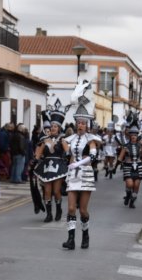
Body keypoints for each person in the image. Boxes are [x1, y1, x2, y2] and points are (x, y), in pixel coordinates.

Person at [61, 79, 102, 250]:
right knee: (71, 208)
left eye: (83, 123)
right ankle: (71, 240)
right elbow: (65, 148)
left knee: (83, 210)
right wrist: (67, 156)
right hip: (73, 176)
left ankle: (85, 234)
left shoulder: (91, 139)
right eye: (78, 122)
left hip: (85, 174)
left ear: (87, 124)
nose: (80, 125)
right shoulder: (69, 139)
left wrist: (77, 163)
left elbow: (92, 157)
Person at [33, 98, 68, 222]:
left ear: (59, 128)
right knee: (47, 191)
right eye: (52, 126)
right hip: (46, 166)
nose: (53, 128)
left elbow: (68, 152)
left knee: (56, 191)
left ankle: (58, 209)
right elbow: (38, 153)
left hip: (58, 166)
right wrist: (34, 161)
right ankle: (49, 214)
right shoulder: (44, 140)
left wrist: (68, 158)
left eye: (55, 126)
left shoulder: (62, 140)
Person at [116, 118, 142, 209]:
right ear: (129, 136)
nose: (133, 136)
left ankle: (132, 201)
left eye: (135, 135)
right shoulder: (125, 146)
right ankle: (128, 195)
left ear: (137, 136)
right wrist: (115, 167)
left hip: (139, 166)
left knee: (136, 185)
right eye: (132, 135)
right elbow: (120, 158)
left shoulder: (140, 145)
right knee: (130, 184)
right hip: (128, 166)